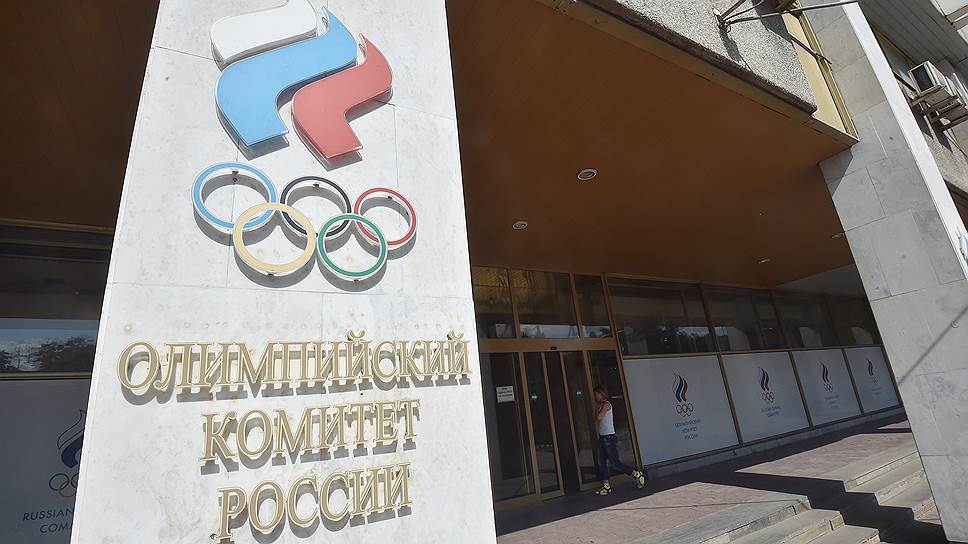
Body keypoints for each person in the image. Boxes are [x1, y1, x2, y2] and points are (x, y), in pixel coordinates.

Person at [593, 385, 646, 495]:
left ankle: (636, 474)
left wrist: (597, 411)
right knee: (601, 462)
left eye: (597, 394)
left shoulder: (606, 404)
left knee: (615, 464)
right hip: (602, 437)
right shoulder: (600, 405)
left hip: (609, 438)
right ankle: (606, 486)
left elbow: (598, 417)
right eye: (595, 394)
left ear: (602, 393)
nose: (595, 396)